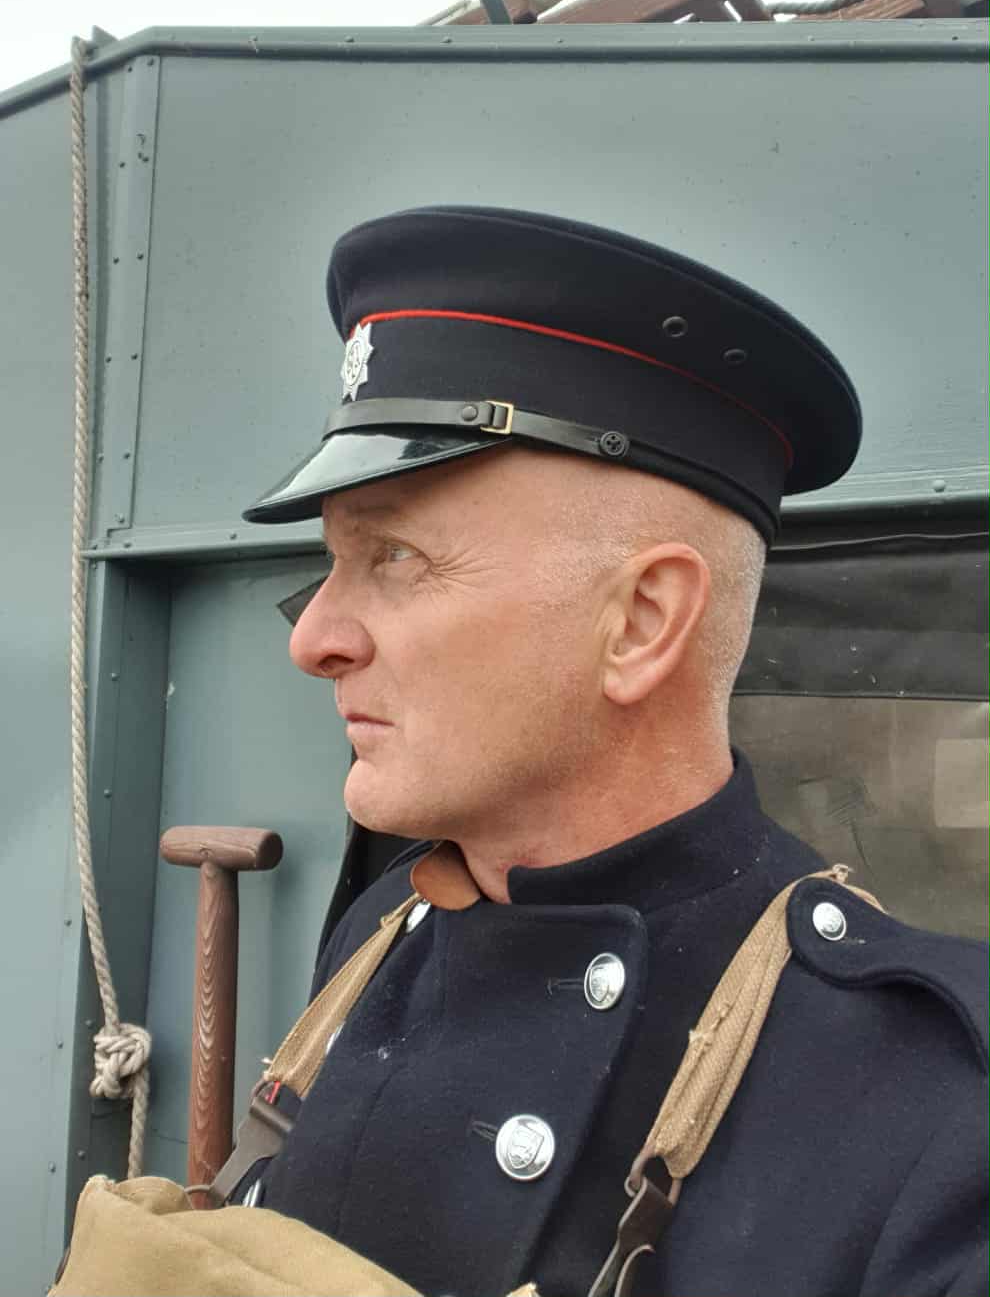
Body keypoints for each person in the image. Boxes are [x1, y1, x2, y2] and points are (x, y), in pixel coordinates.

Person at [238, 207, 988, 1296]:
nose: (313, 640)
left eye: (394, 557)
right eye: (332, 566)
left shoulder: (938, 1099)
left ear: (640, 622)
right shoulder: (384, 930)